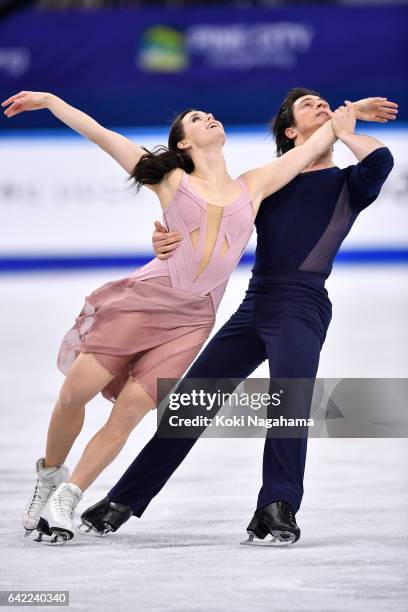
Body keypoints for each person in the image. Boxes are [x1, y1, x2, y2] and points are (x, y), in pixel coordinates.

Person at [2, 89, 351, 544]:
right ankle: (49, 476)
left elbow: (306, 149)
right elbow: (103, 136)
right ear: (183, 142)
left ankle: (68, 498)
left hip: (192, 323)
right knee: (77, 392)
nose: (209, 116)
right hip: (146, 301)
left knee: (130, 411)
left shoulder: (254, 185)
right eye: (195, 117)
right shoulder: (168, 178)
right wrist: (51, 102)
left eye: (210, 113)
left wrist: (352, 115)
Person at [77, 89, 396, 546]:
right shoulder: (267, 183)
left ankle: (277, 503)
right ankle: (124, 499)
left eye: (325, 103)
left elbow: (380, 162)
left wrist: (349, 132)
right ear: (290, 131)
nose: (321, 106)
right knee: (191, 405)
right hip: (255, 302)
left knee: (290, 403)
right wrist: (164, 243)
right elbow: (207, 221)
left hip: (302, 304)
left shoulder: (348, 183)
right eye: (308, 106)